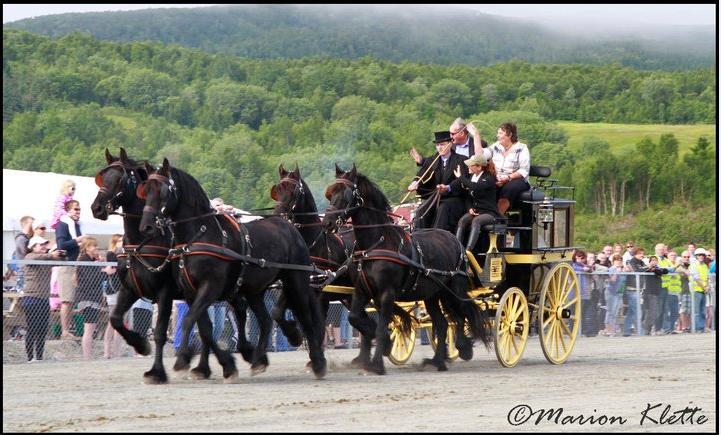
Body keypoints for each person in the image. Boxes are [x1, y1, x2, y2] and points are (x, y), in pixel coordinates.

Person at [407, 131, 468, 234]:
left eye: (443, 144)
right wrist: (415, 183)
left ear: (450, 144)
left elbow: (461, 179)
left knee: (443, 208)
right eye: (438, 145)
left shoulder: (461, 160)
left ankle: (438, 236)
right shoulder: (431, 160)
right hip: (435, 197)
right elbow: (422, 174)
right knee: (422, 209)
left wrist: (448, 187)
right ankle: (417, 236)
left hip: (453, 198)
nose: (440, 147)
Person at [440, 153, 499, 253]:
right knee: (463, 220)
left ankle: (468, 249)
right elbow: (468, 197)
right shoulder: (472, 177)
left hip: (489, 212)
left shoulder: (488, 178)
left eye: (471, 165)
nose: (468, 167)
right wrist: (470, 208)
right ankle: (457, 248)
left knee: (476, 221)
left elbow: (476, 187)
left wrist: (460, 178)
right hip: (476, 210)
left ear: (479, 167)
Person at [21, 236, 66, 362]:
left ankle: (39, 357)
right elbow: (34, 258)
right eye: (40, 245)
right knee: (32, 328)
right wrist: (52, 255)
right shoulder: (29, 256)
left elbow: (63, 261)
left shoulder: (47, 258)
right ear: (33, 246)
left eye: (44, 245)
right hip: (31, 298)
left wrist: (61, 254)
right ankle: (30, 357)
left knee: (42, 329)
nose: (43, 247)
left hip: (44, 299)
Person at [481, 122, 531, 215]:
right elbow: (482, 155)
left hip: (516, 179)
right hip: (499, 178)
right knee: (484, 184)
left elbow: (524, 170)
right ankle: (483, 214)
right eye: (497, 133)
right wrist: (476, 137)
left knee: (508, 189)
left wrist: (508, 178)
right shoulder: (496, 146)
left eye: (500, 133)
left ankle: (497, 217)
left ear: (510, 135)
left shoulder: (522, 148)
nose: (497, 136)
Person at [55, 200, 86, 340]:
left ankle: (68, 329)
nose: (78, 212)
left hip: (76, 266)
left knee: (71, 300)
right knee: (66, 300)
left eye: (79, 209)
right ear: (68, 210)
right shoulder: (63, 225)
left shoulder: (77, 226)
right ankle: (65, 331)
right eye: (75, 209)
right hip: (67, 265)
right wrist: (77, 241)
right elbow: (61, 244)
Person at [409, 118, 487, 164]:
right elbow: (436, 159)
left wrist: (476, 135)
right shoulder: (450, 145)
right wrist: (421, 160)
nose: (450, 136)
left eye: (452, 134)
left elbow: (481, 162)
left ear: (462, 133)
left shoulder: (479, 144)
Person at [76, 237, 104, 359]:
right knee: (89, 328)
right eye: (94, 246)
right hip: (88, 298)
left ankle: (88, 355)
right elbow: (90, 279)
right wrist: (101, 269)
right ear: (87, 248)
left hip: (94, 297)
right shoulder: (84, 259)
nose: (96, 249)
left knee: (91, 328)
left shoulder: (92, 260)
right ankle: (87, 356)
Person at [102, 234, 124, 358]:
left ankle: (117, 352)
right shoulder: (111, 254)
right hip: (113, 289)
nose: (121, 243)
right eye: (119, 241)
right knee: (112, 321)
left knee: (121, 322)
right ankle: (107, 351)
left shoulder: (125, 254)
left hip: (124, 289)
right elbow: (111, 270)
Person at [641, 255, 668, 336]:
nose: (654, 261)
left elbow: (665, 271)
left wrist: (656, 269)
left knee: (655, 312)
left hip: (657, 293)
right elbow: (647, 270)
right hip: (649, 293)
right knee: (650, 312)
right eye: (652, 260)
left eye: (655, 260)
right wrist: (651, 268)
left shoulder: (658, 268)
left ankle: (648, 329)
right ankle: (646, 329)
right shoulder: (646, 268)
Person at [622, 247, 646, 336]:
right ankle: (640, 331)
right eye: (640, 253)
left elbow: (645, 269)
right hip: (632, 290)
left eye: (643, 253)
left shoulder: (641, 262)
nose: (642, 255)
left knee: (631, 312)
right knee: (637, 311)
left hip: (638, 290)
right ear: (635, 254)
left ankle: (626, 331)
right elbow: (636, 271)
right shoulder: (631, 262)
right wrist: (647, 268)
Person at [601, 254, 625, 336]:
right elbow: (612, 280)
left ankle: (611, 329)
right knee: (610, 311)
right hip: (611, 292)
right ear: (613, 261)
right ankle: (608, 329)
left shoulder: (621, 269)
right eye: (617, 260)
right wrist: (617, 272)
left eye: (620, 260)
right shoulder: (612, 269)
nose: (619, 262)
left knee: (615, 312)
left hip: (618, 293)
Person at [689, 248, 709, 332]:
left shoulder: (704, 265)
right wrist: (705, 287)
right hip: (696, 290)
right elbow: (696, 278)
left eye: (703, 255)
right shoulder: (693, 265)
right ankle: (697, 328)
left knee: (703, 311)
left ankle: (701, 327)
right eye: (699, 255)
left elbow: (707, 278)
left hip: (703, 290)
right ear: (696, 256)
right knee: (696, 311)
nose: (701, 256)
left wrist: (707, 286)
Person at [661, 251, 681, 334]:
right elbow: (669, 271)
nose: (673, 256)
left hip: (676, 292)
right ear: (668, 256)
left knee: (675, 312)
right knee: (667, 312)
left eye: (674, 255)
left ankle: (671, 328)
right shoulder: (667, 263)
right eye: (671, 255)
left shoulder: (677, 264)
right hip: (668, 291)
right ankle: (667, 329)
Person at [13, 215, 35, 291]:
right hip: (23, 270)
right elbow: (24, 252)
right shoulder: (21, 238)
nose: (33, 226)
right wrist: (33, 249)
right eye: (31, 223)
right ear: (25, 224)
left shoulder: (28, 238)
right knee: (22, 293)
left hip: (28, 269)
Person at [675, 251, 693, 333]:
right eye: (684, 257)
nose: (686, 258)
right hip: (682, 290)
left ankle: (688, 327)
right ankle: (684, 327)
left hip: (690, 291)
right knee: (683, 310)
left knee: (689, 311)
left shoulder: (690, 265)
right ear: (681, 257)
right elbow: (687, 273)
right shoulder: (680, 266)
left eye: (688, 257)